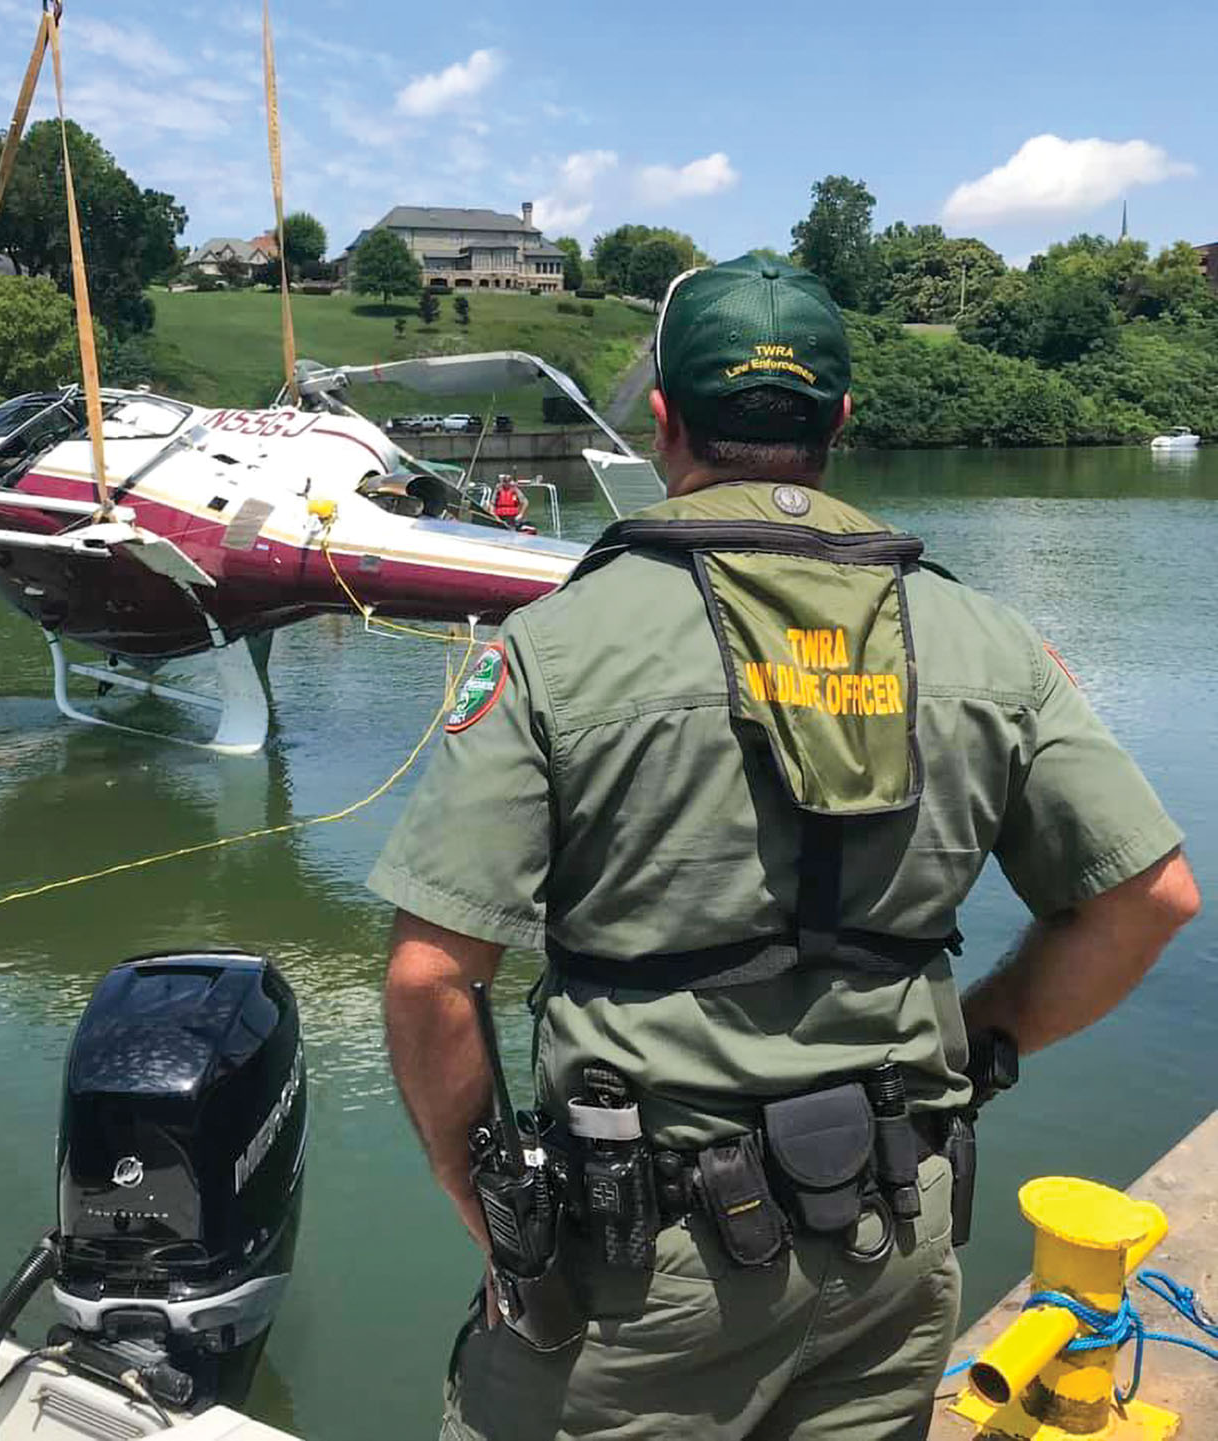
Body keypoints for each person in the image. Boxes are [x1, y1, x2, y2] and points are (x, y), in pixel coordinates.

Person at [370, 254, 1199, 1441]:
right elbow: (1150, 900)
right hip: (895, 1247)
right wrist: (986, 1039)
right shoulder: (988, 643)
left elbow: (433, 979)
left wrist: (488, 1201)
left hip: (634, 1272)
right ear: (841, 420)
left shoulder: (553, 648)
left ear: (662, 417)